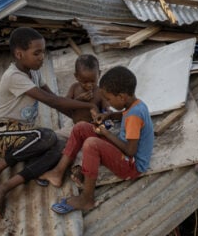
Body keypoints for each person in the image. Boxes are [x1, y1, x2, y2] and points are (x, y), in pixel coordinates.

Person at [0, 27, 99, 218]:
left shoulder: (34, 73)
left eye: (43, 51)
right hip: (1, 134)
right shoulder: (14, 76)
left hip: (25, 137)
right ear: (19, 54)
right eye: (37, 53)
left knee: (62, 146)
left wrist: (81, 121)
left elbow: (56, 100)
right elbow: (52, 101)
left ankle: (3, 188)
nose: (42, 57)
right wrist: (87, 104)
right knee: (48, 136)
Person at [39, 65, 154, 214]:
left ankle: (87, 198)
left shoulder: (134, 116)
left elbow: (130, 151)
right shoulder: (135, 104)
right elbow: (124, 114)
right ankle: (58, 172)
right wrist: (109, 115)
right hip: (124, 154)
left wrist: (106, 133)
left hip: (132, 166)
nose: (108, 102)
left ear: (121, 97)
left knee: (91, 144)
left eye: (109, 99)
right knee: (81, 126)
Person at [65, 54, 111, 124]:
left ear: (99, 73)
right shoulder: (74, 88)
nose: (89, 85)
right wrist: (79, 99)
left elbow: (107, 110)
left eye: (93, 81)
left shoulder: (100, 92)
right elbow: (66, 105)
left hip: (93, 127)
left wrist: (104, 114)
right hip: (74, 126)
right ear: (76, 76)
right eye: (84, 82)